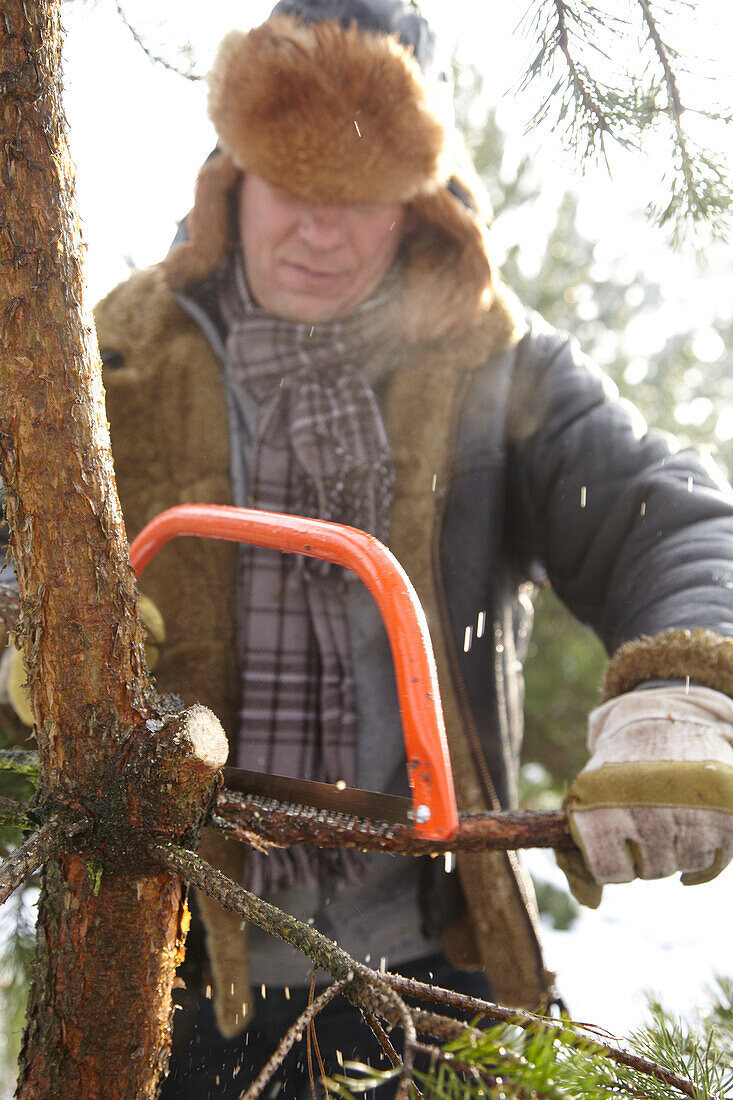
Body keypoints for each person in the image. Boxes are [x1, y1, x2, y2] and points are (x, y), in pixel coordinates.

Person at [3, 0, 733, 1095]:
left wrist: (678, 689)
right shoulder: (110, 360)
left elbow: (667, 514)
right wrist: (27, 625)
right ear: (233, 171)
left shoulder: (499, 364)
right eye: (295, 181)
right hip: (172, 969)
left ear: (419, 200)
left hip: (436, 967)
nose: (321, 229)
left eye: (361, 198)